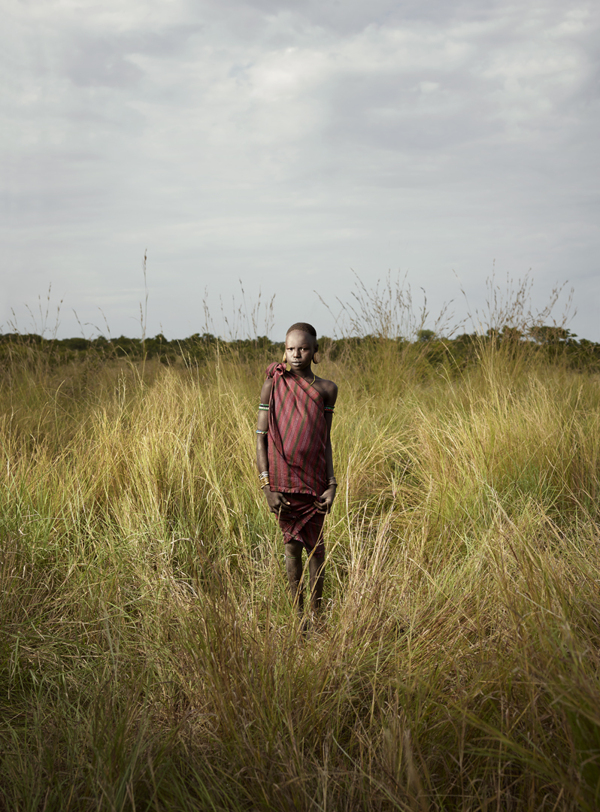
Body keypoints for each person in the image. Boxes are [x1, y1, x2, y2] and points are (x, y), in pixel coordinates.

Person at [256, 322, 338, 623]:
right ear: (284, 350)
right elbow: (260, 438)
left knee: (317, 549)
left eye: (303, 348)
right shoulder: (273, 384)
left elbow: (325, 440)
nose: (296, 354)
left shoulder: (327, 389)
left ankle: (316, 615)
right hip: (283, 483)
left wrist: (331, 485)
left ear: (316, 352)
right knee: (291, 547)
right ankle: (298, 615)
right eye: (290, 349)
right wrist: (267, 487)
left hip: (315, 482)